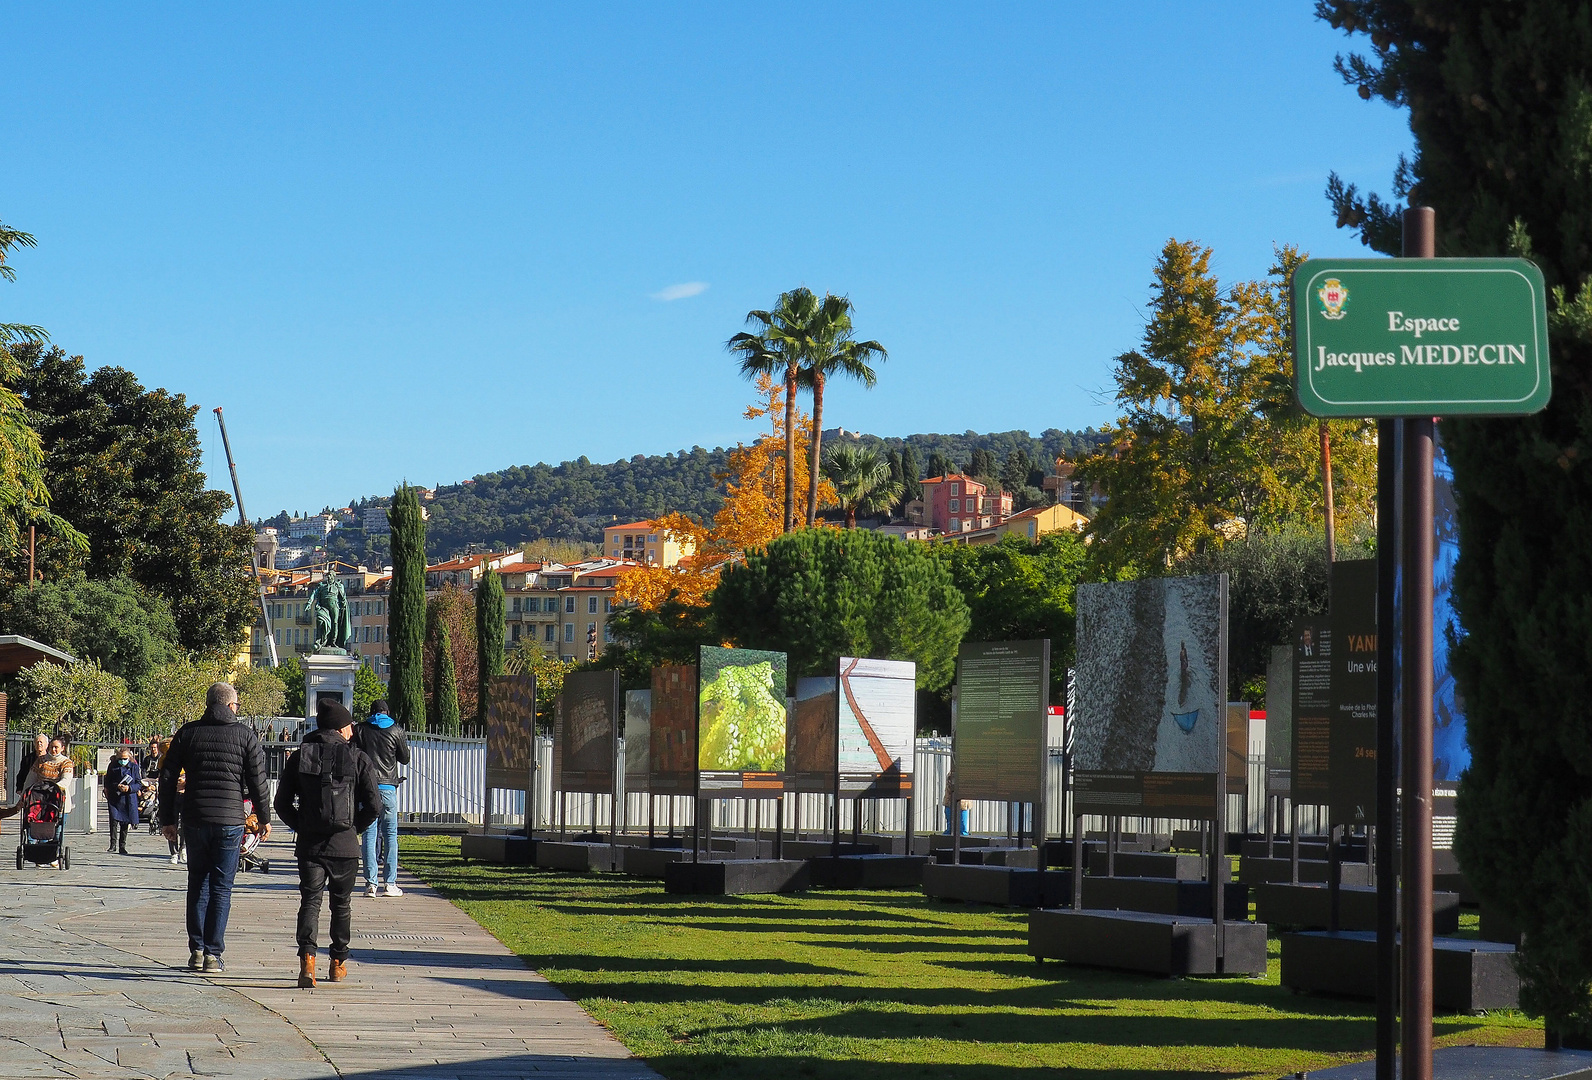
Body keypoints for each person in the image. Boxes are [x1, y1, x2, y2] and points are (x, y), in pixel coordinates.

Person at [159, 682, 271, 974]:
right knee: (222, 887)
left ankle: (196, 950)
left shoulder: (187, 733)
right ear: (232, 705)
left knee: (197, 883)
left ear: (208, 704)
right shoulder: (245, 735)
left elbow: (168, 778)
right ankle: (212, 954)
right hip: (230, 820)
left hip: (195, 817)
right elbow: (259, 780)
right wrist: (264, 816)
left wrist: (167, 819)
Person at [273, 699, 379, 988]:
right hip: (345, 845)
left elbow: (280, 803)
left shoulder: (299, 756)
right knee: (341, 905)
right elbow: (374, 805)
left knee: (310, 901)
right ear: (343, 729)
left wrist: (302, 826)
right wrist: (355, 829)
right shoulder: (358, 758)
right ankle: (337, 963)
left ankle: (307, 961)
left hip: (310, 846)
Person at [352, 698, 410, 898]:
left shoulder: (360, 729)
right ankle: (390, 883)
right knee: (390, 834)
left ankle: (370, 884)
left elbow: (352, 753)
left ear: (371, 712)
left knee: (369, 833)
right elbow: (405, 758)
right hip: (388, 788)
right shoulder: (396, 729)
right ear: (387, 711)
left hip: (367, 787)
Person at [103, 745, 143, 854]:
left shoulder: (134, 767)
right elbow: (108, 782)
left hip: (128, 798)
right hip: (115, 797)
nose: (122, 761)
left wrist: (129, 788)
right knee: (114, 821)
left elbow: (138, 784)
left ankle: (122, 845)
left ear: (129, 758)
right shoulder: (113, 766)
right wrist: (117, 786)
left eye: (125, 759)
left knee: (125, 822)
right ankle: (112, 845)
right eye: (120, 759)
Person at [14, 732, 47, 802]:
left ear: (46, 744)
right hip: (30, 791)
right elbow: (21, 774)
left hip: (45, 791)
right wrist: (19, 789)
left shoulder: (50, 759)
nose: (39, 744)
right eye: (37, 742)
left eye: (41, 742)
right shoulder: (27, 759)